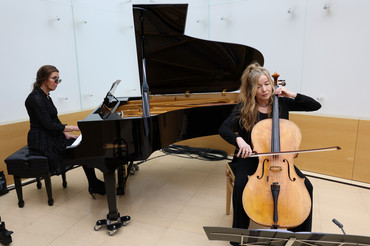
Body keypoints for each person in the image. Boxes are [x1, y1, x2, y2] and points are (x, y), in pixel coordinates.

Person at [219, 63, 321, 237]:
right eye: (258, 86)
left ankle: (301, 235)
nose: (264, 89)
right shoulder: (244, 107)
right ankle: (239, 235)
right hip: (251, 158)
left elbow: (315, 105)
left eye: (267, 84)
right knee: (242, 185)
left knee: (307, 186)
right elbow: (224, 128)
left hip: (281, 160)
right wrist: (240, 140)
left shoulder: (281, 103)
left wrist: (291, 94)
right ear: (251, 89)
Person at [25, 65, 106, 197]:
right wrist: (75, 127)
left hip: (50, 134)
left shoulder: (46, 96)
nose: (57, 83)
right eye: (54, 79)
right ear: (44, 79)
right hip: (41, 139)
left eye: (58, 80)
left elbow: (54, 120)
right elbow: (48, 124)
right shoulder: (35, 98)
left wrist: (66, 133)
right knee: (82, 150)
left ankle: (93, 182)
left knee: (84, 146)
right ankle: (93, 184)